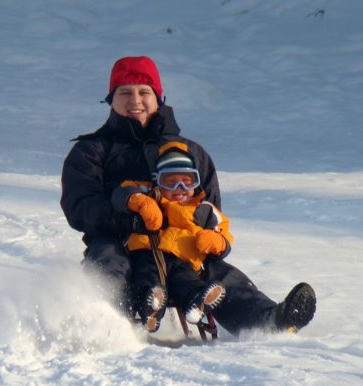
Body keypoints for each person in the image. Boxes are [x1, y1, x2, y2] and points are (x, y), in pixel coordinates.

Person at [60, 55, 316, 335]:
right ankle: (103, 324)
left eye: (144, 92)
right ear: (111, 99)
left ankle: (266, 320)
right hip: (118, 240)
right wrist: (129, 222)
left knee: (218, 274)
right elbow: (79, 205)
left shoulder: (189, 152)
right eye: (125, 93)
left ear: (158, 97)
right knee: (108, 264)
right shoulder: (92, 151)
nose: (135, 100)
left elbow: (209, 207)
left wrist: (212, 238)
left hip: (181, 244)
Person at [113, 143, 232, 332]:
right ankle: (151, 305)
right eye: (170, 182)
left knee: (185, 279)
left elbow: (222, 230)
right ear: (158, 181)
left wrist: (217, 242)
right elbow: (122, 193)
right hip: (148, 251)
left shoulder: (204, 209)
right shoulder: (152, 195)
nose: (180, 188)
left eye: (188, 181)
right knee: (147, 275)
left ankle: (196, 302)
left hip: (182, 259)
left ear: (196, 183)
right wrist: (140, 201)